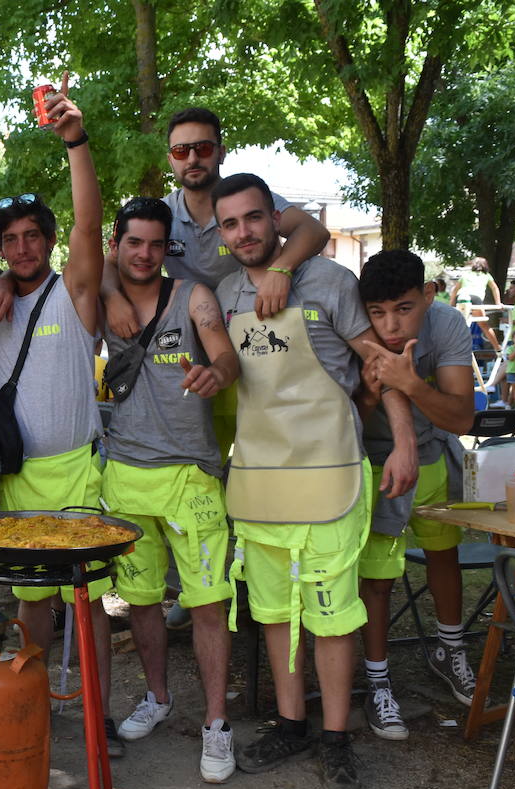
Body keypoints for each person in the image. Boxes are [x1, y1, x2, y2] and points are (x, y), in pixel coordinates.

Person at [212, 173, 416, 789]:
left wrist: (404, 440)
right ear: (220, 234)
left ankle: (335, 739)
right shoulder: (222, 294)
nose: (243, 232)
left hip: (331, 472)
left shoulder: (329, 281)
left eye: (253, 218)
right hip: (262, 479)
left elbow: (375, 363)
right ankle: (292, 724)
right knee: (274, 612)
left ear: (276, 217)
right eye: (229, 224)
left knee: (331, 617)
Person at [104, 105, 330, 631]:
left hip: (257, 355)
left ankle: (266, 576)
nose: (193, 158)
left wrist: (279, 268)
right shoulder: (159, 213)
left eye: (203, 146)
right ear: (170, 159)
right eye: (182, 150)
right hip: (186, 371)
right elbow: (109, 257)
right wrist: (114, 293)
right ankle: (203, 580)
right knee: (210, 480)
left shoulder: (246, 201)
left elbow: (312, 231)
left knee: (260, 472)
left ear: (221, 149)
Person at [0, 75, 118, 750]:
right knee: (30, 603)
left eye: (34, 236)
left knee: (88, 602)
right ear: (0, 248)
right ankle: (31, 701)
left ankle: (98, 716)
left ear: (48, 239)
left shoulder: (75, 292)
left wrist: (77, 143)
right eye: (10, 240)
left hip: (77, 477)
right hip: (17, 480)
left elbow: (91, 223)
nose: (23, 249)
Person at [98, 196, 240, 781]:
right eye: (134, 243)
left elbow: (227, 356)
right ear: (119, 242)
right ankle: (158, 697)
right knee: (140, 601)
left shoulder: (193, 297)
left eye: (157, 244)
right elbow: (88, 261)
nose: (146, 254)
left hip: (190, 476)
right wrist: (109, 291)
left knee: (208, 604)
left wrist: (216, 371)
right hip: (125, 473)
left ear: (168, 247)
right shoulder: (103, 299)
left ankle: (215, 725)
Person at [353, 250, 475, 738]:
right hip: (374, 463)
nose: (389, 325)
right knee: (377, 578)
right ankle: (378, 680)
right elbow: (345, 422)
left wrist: (410, 383)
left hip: (432, 456)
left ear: (428, 295)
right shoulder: (355, 326)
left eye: (403, 309)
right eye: (378, 312)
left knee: (445, 556)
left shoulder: (447, 324)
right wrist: (366, 395)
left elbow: (462, 418)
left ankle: (450, 649)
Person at [448, 257, 502, 350]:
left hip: (461, 297)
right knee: (484, 325)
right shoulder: (486, 275)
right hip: (474, 298)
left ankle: (452, 347)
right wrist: (498, 303)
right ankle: (497, 348)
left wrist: (451, 305)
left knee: (458, 325)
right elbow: (494, 288)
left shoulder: (465, 275)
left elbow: (455, 290)